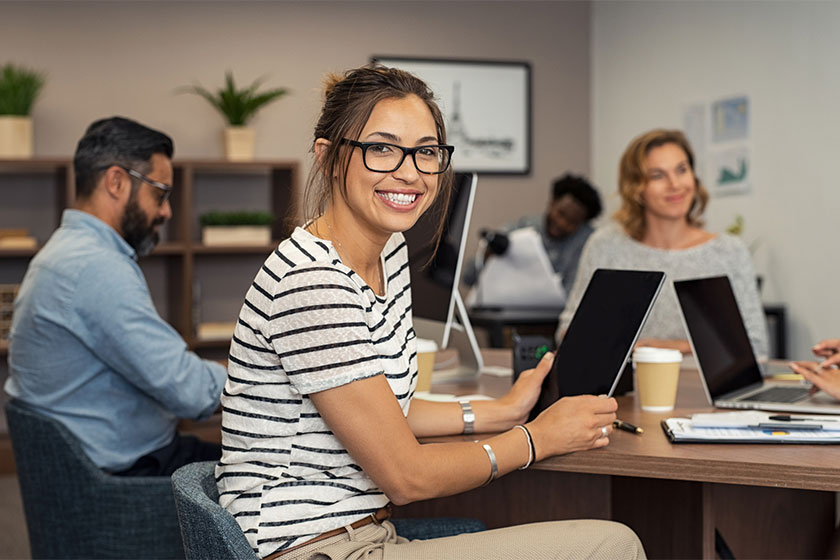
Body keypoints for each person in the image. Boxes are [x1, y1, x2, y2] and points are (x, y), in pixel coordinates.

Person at [216, 65, 646, 560]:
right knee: (615, 544)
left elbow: (386, 411)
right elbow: (406, 476)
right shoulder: (312, 282)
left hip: (364, 535)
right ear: (330, 157)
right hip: (313, 549)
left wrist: (501, 410)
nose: (410, 172)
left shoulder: (389, 251)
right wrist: (536, 438)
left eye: (425, 151)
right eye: (380, 148)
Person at [5, 117, 227, 476]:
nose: (167, 211)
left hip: (89, 471)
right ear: (117, 182)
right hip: (130, 477)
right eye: (160, 194)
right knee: (280, 472)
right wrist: (255, 376)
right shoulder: (95, 268)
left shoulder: (61, 254)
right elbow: (190, 392)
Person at [557, 129, 768, 357]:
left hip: (706, 391)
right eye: (657, 175)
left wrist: (662, 348)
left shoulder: (729, 252)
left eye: (682, 169)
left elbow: (756, 347)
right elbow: (567, 332)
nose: (675, 184)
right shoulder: (605, 246)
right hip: (624, 391)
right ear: (636, 188)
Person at [464, 173, 602, 296]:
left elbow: (572, 296)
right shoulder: (522, 227)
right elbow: (468, 277)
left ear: (582, 224)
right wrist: (488, 255)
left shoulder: (587, 241)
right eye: (561, 213)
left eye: (572, 222)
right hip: (509, 313)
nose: (562, 223)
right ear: (552, 202)